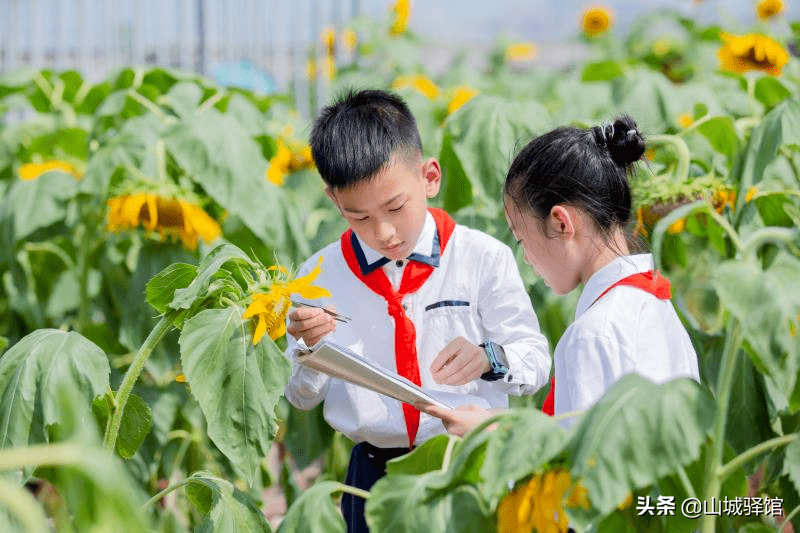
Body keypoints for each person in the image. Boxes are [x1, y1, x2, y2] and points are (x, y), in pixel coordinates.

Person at [282, 89, 551, 533]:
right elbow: (301, 396)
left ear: (429, 177)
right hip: (372, 478)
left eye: (395, 207)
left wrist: (489, 357)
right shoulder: (317, 276)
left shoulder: (482, 257)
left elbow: (535, 361)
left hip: (466, 462)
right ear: (334, 201)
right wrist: (311, 350)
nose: (384, 232)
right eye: (359, 217)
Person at [422, 116, 700, 436]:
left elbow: (582, 466)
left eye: (522, 239)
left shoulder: (592, 334)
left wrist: (495, 431)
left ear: (560, 223)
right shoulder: (655, 304)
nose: (525, 257)